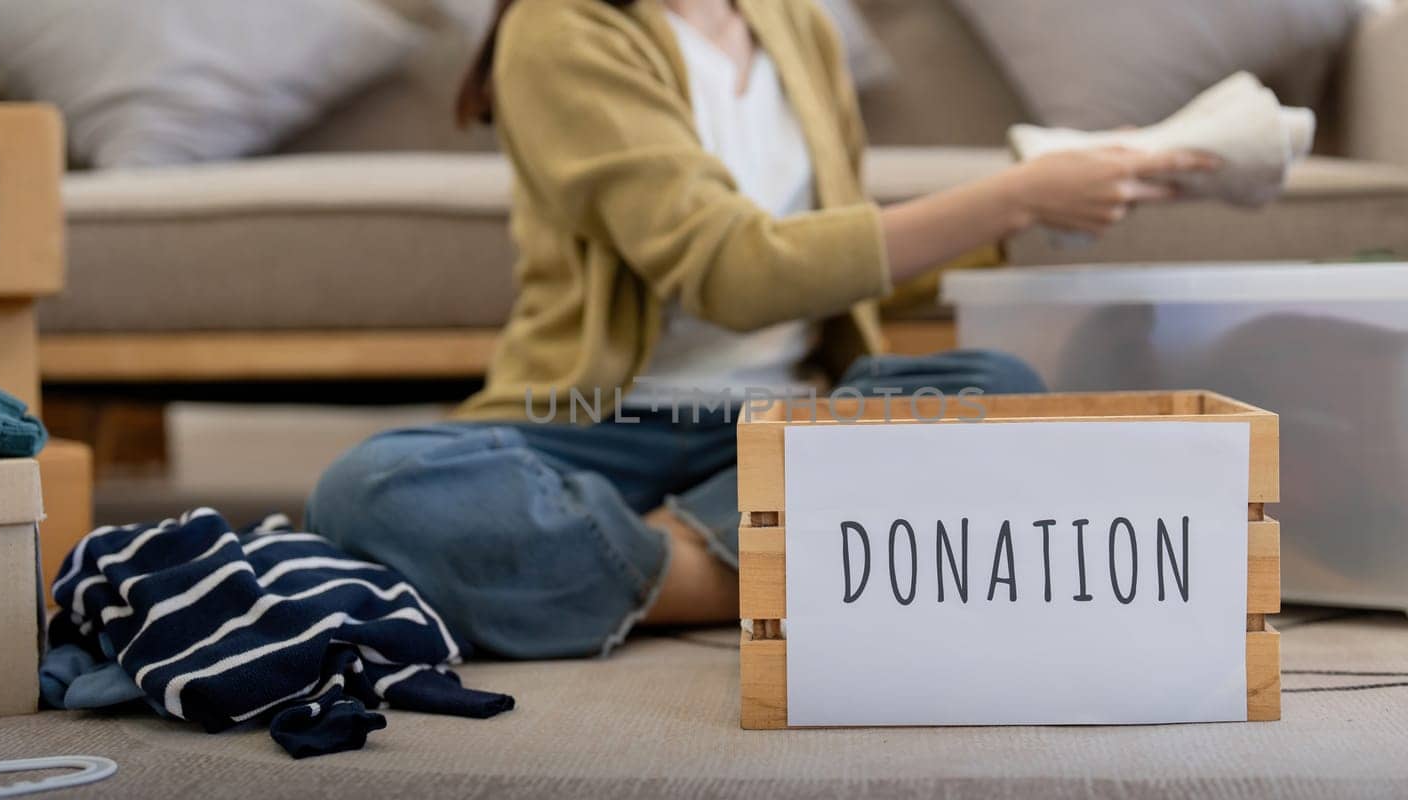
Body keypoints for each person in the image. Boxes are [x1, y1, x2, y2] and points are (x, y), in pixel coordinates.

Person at [306, 0, 1217, 659]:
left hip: (775, 429)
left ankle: (616, 563)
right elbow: (740, 272)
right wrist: (1007, 196)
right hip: (594, 420)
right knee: (373, 488)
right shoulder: (559, 29)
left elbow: (828, 256)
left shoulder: (798, 24)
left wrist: (1034, 209)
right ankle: (744, 563)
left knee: (997, 390)